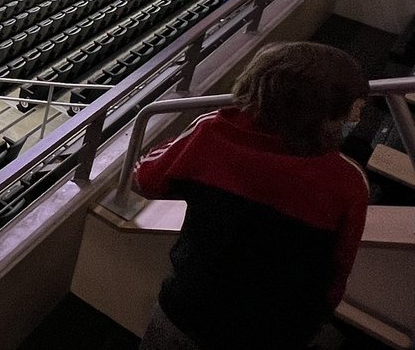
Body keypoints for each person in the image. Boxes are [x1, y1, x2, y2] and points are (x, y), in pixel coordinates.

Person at [135, 42, 369, 350]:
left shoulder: (213, 133)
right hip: (277, 332)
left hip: (189, 311)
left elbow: (145, 179)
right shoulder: (348, 181)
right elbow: (338, 271)